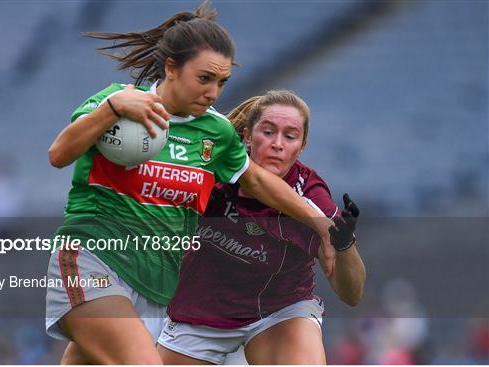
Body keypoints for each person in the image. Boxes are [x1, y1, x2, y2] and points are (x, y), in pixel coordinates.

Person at [45, 2, 335, 364]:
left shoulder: (216, 132)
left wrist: (318, 222)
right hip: (93, 260)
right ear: (171, 68)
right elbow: (58, 154)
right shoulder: (119, 102)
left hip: (155, 286)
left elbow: (258, 182)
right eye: (204, 78)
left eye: (221, 82)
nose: (214, 92)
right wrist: (113, 109)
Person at [157, 90, 366, 365]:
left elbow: (351, 295)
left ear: (301, 146)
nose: (277, 144)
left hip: (278, 311)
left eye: (290, 136)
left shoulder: (312, 198)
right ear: (246, 135)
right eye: (268, 132)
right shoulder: (212, 170)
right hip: (202, 309)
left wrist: (345, 245)